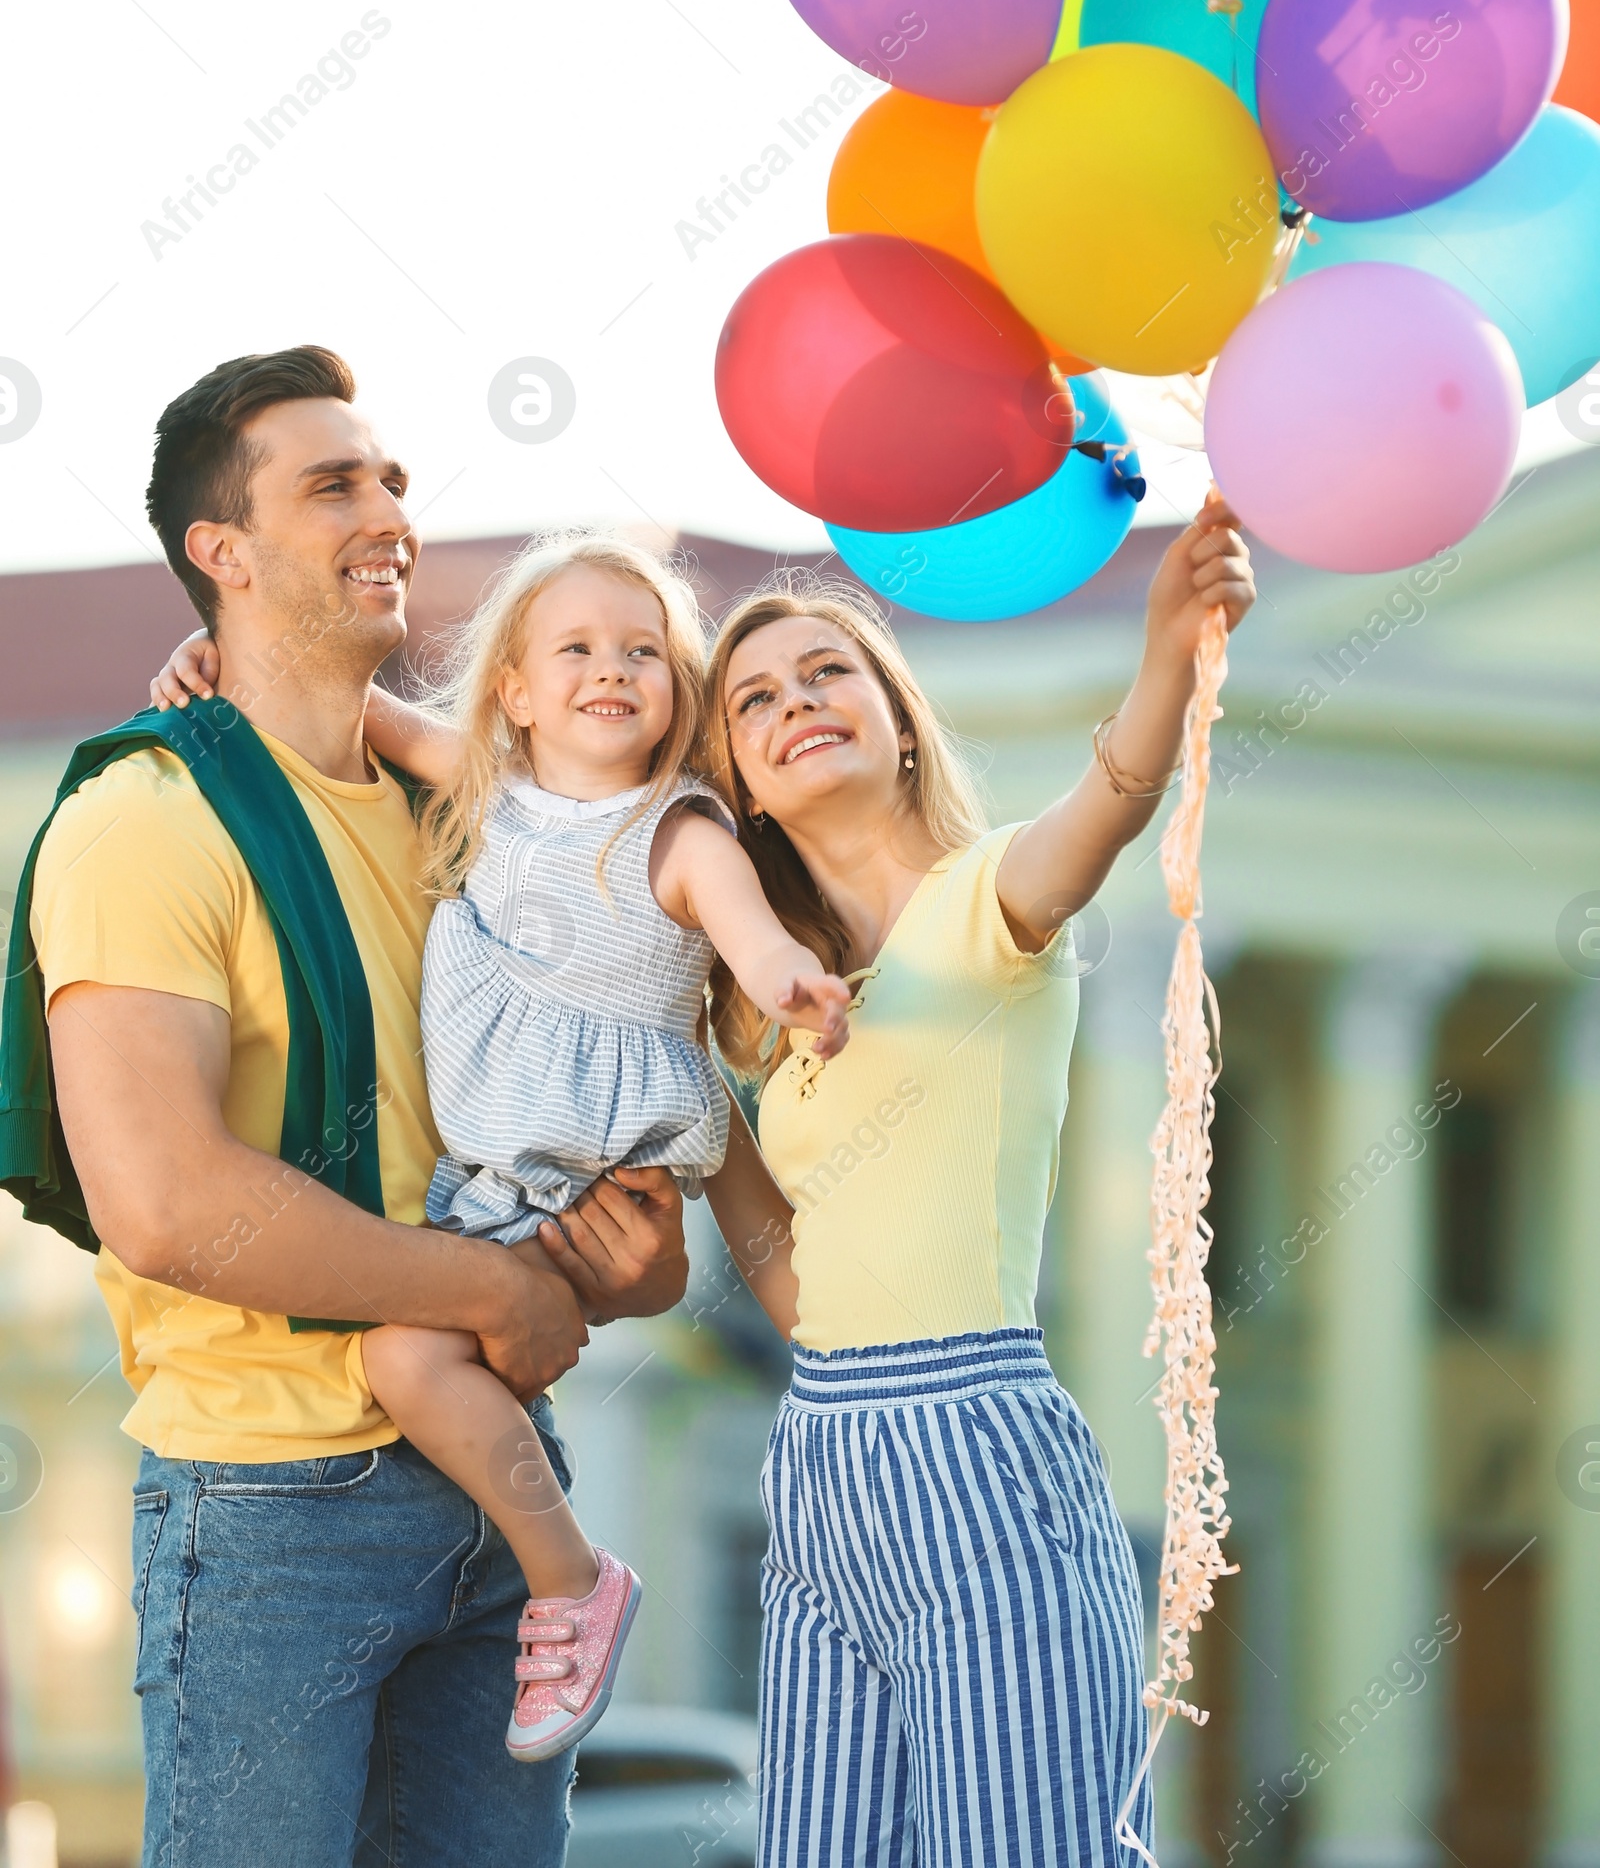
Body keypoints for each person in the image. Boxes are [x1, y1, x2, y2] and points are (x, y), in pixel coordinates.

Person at [5, 349, 687, 1868]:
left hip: (498, 1486)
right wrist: (501, 1288)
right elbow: (170, 1204)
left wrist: (623, 1264)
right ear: (220, 553)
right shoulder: (150, 818)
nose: (386, 510)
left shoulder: (484, 844)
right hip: (273, 1518)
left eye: (389, 478)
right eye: (332, 484)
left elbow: (563, 1173)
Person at [153, 533, 854, 1762]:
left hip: (584, 1175)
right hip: (482, 1181)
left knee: (406, 1362)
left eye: (644, 652)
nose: (611, 668)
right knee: (426, 1361)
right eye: (574, 648)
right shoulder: (483, 786)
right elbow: (353, 706)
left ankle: (570, 1579)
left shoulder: (675, 834)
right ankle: (535, 1561)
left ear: (676, 695)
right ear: (516, 692)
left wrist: (792, 978)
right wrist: (219, 660)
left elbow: (747, 932)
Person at [696, 502, 1255, 1867]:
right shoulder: (776, 1014)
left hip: (979, 1452)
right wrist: (704, 1127)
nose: (794, 700)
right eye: (755, 699)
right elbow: (795, 1289)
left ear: (898, 719)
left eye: (829, 670)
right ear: (743, 789)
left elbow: (1113, 796)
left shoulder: (991, 901)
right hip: (822, 1465)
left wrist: (1169, 650)